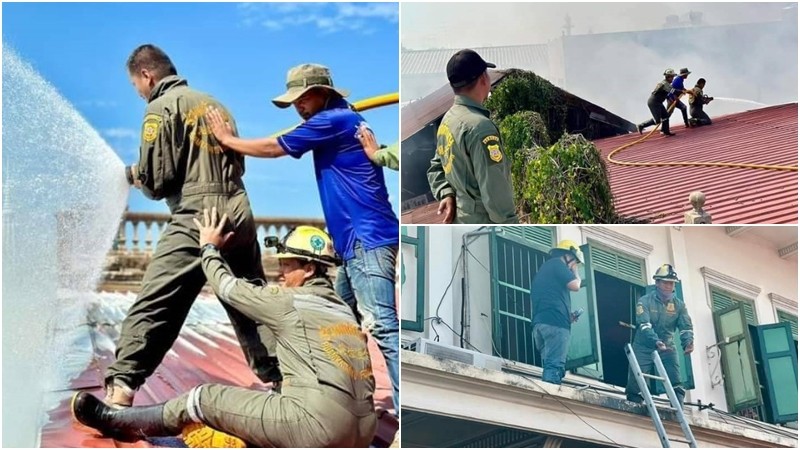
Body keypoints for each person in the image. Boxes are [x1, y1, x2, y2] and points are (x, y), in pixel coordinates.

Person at [72, 215, 377, 448]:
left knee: (203, 399)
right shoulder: (343, 311)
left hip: (318, 430)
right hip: (363, 434)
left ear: (309, 269)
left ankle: (114, 420)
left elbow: (227, 288)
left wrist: (209, 248)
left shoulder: (289, 301)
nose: (281, 272)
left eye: (288, 264)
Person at [203, 64, 400, 418]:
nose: (298, 107)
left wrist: (228, 140)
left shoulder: (333, 121)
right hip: (352, 245)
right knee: (340, 327)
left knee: (382, 328)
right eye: (294, 102)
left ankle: (409, 418)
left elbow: (275, 147)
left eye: (303, 98)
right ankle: (343, 403)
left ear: (323, 92)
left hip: (365, 239)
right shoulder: (347, 118)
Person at [105, 44, 280, 408]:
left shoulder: (159, 108)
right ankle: (285, 381)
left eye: (136, 84)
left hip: (198, 213)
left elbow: (157, 181)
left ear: (147, 76)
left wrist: (134, 175)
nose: (138, 92)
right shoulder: (216, 105)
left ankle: (121, 387)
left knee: (159, 299)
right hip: (240, 209)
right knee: (252, 300)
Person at [427, 49, 518, 225]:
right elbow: (494, 192)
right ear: (483, 79)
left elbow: (436, 166)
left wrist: (445, 192)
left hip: (460, 219)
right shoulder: (480, 128)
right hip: (483, 220)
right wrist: (511, 226)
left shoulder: (448, 120)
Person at [625, 264, 694, 406]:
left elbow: (685, 327)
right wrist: (655, 341)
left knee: (674, 376)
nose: (669, 286)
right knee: (637, 375)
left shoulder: (679, 305)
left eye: (672, 283)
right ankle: (635, 400)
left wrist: (688, 342)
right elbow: (644, 325)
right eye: (666, 283)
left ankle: (677, 402)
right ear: (657, 283)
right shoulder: (644, 301)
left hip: (667, 344)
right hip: (644, 344)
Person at [531, 240, 584, 385]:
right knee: (555, 366)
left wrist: (568, 316)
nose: (574, 265)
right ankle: (551, 397)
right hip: (555, 324)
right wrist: (576, 273)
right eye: (575, 262)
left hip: (541, 323)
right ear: (568, 255)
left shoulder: (546, 269)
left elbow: (549, 299)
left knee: (549, 363)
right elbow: (575, 286)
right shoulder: (557, 264)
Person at [637, 69, 678, 137]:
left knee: (665, 116)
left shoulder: (666, 84)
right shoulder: (665, 84)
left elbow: (664, 92)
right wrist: (682, 91)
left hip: (659, 103)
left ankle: (666, 131)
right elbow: (674, 91)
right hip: (654, 103)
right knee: (657, 121)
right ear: (668, 77)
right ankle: (641, 125)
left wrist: (668, 98)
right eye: (672, 77)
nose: (672, 79)